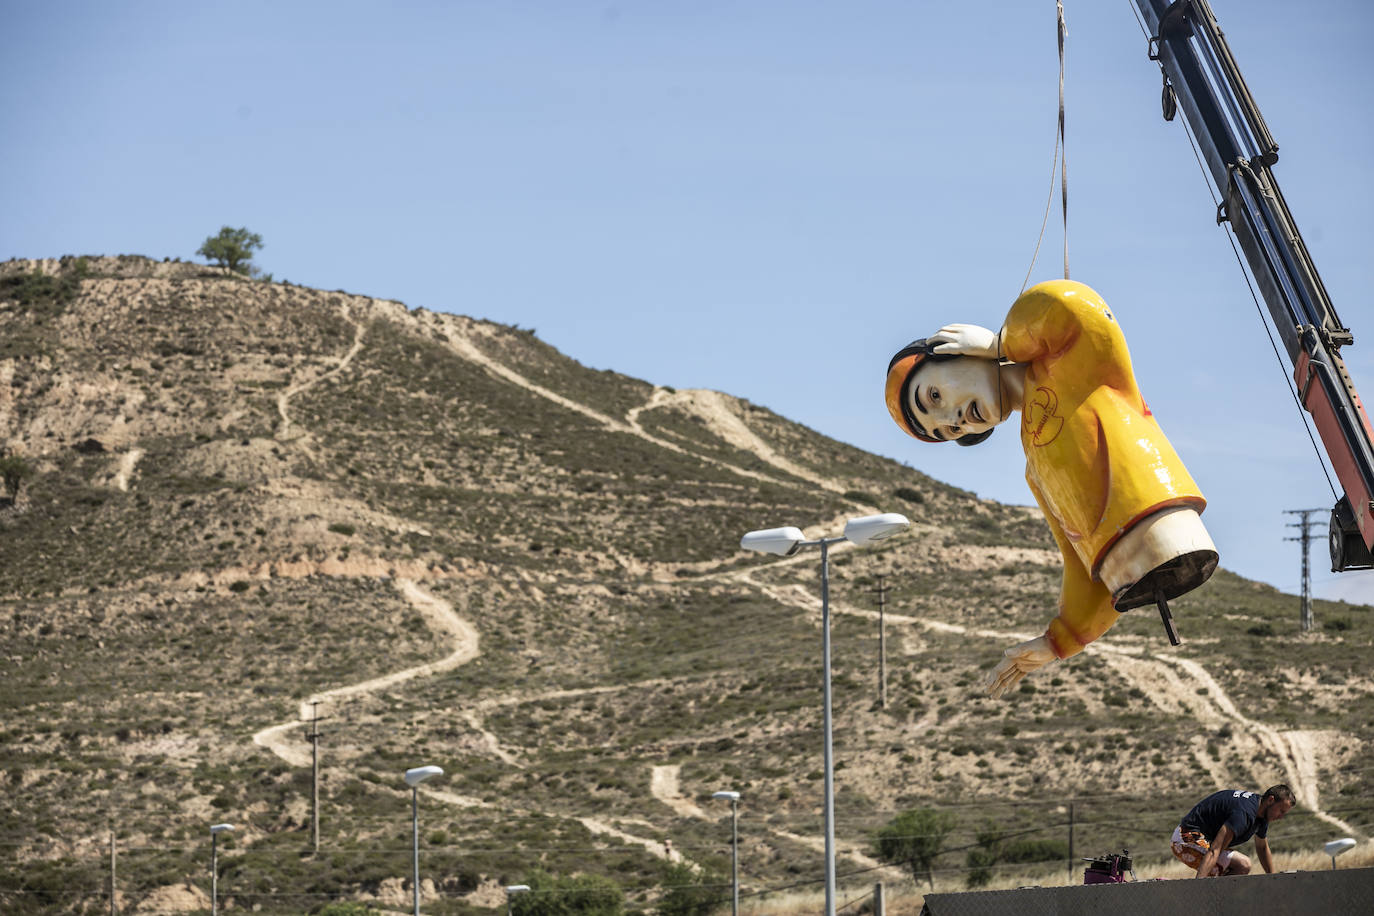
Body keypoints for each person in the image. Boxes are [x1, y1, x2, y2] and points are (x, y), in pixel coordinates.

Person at [885, 280, 1218, 696]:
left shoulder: (1069, 360)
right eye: (947, 430)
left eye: (933, 394)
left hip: (1169, 517)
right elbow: (1080, 560)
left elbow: (1075, 310)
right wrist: (1060, 639)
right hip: (1130, 566)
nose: (954, 419)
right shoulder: (1035, 467)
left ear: (953, 349)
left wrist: (999, 345)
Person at [1171, 786, 1296, 877]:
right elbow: (1215, 851)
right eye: (1281, 811)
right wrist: (1198, 888)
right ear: (1270, 800)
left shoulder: (1261, 814)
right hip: (1185, 839)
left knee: (1239, 866)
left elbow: (1262, 848)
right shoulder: (1244, 814)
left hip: (1206, 842)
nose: (1281, 817)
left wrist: (1272, 879)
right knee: (1242, 865)